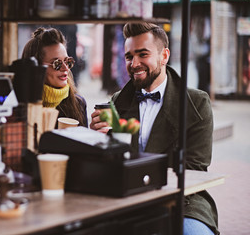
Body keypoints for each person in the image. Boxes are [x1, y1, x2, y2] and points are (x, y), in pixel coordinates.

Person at [90, 22, 219, 235]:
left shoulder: (196, 103)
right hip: (126, 198)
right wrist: (99, 141)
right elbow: (110, 165)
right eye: (129, 56)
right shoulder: (117, 102)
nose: (135, 63)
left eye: (143, 54)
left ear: (164, 55)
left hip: (184, 200)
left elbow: (194, 168)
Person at [22, 27, 88, 127]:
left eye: (68, 61)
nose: (65, 68)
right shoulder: (21, 106)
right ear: (37, 68)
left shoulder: (78, 104)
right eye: (56, 63)